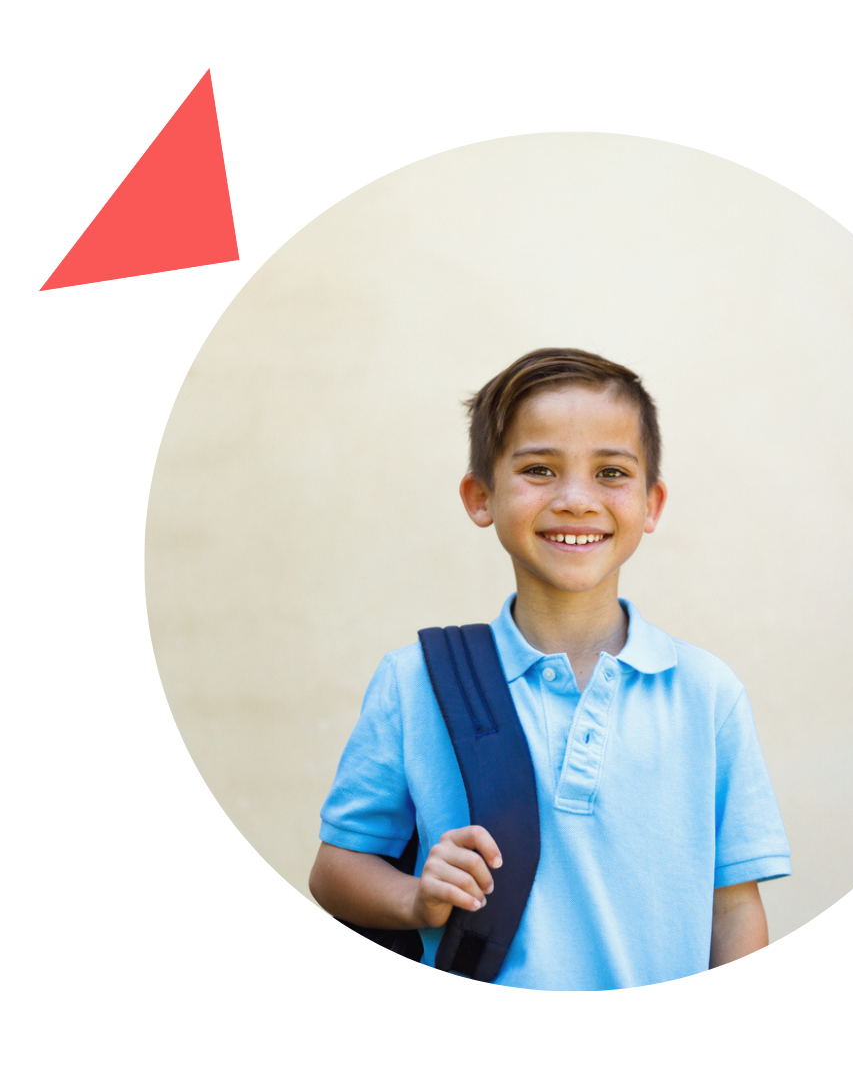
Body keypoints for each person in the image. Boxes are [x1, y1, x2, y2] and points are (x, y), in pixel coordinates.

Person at [309, 347, 791, 989]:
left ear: (652, 503)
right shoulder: (415, 681)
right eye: (539, 468)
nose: (575, 499)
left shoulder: (708, 695)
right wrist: (415, 899)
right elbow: (335, 871)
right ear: (480, 497)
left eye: (611, 473)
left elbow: (733, 914)